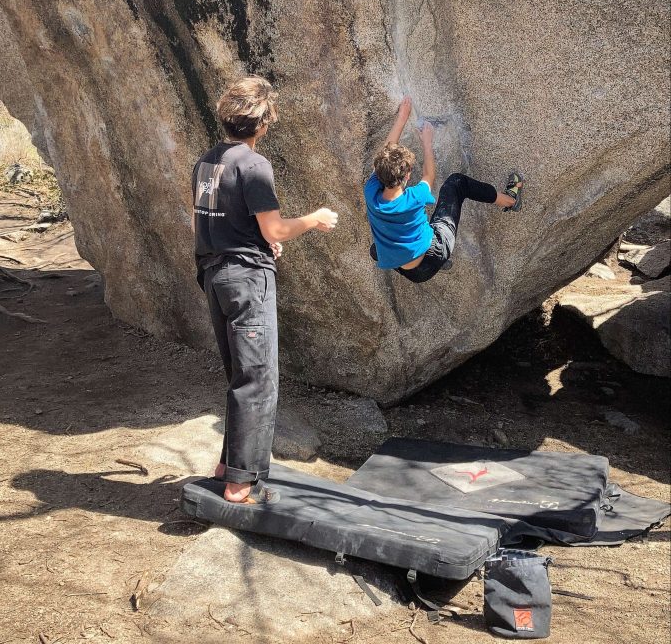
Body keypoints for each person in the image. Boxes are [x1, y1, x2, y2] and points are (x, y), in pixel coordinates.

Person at [193, 75, 338, 504]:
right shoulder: (254, 166)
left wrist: (261, 240)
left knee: (240, 373)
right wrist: (313, 219)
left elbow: (218, 219)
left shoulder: (207, 162)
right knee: (258, 378)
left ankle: (226, 464)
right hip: (246, 281)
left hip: (216, 276)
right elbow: (275, 226)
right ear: (263, 123)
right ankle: (240, 482)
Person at [365, 96, 523, 283]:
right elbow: (428, 176)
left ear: (379, 173)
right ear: (407, 176)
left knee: (377, 250)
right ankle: (510, 200)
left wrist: (402, 117)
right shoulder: (415, 197)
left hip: (409, 272)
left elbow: (384, 155)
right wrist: (427, 143)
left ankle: (436, 262)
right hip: (433, 253)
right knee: (456, 183)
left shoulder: (371, 191)